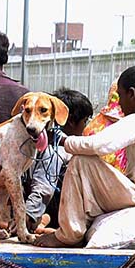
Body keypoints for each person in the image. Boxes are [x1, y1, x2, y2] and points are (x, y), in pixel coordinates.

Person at [35, 65, 135, 248]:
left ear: (132, 94)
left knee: (81, 161)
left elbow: (98, 145)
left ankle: (69, 234)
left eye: (120, 96)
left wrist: (62, 141)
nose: (118, 104)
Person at [21, 88, 93, 232]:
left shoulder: (39, 138)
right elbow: (43, 186)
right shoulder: (57, 147)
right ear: (71, 120)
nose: (85, 127)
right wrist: (27, 217)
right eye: (85, 121)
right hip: (53, 208)